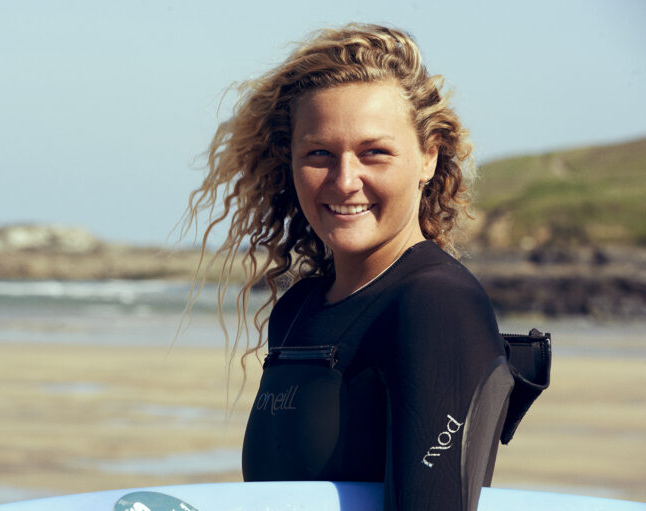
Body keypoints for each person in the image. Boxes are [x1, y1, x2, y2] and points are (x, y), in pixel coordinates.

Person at [183, 24, 515, 511]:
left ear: (428, 157)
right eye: (319, 153)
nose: (344, 181)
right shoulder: (297, 310)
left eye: (373, 153)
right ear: (291, 161)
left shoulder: (437, 305)